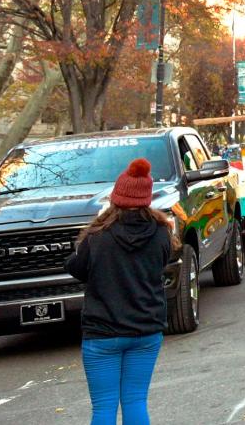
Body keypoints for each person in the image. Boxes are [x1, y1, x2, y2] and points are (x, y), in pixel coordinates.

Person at [65, 158, 179, 425]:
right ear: (147, 198)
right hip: (146, 330)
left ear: (116, 197)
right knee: (136, 400)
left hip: (103, 333)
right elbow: (161, 264)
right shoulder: (162, 234)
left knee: (104, 407)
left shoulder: (97, 236)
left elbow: (78, 269)